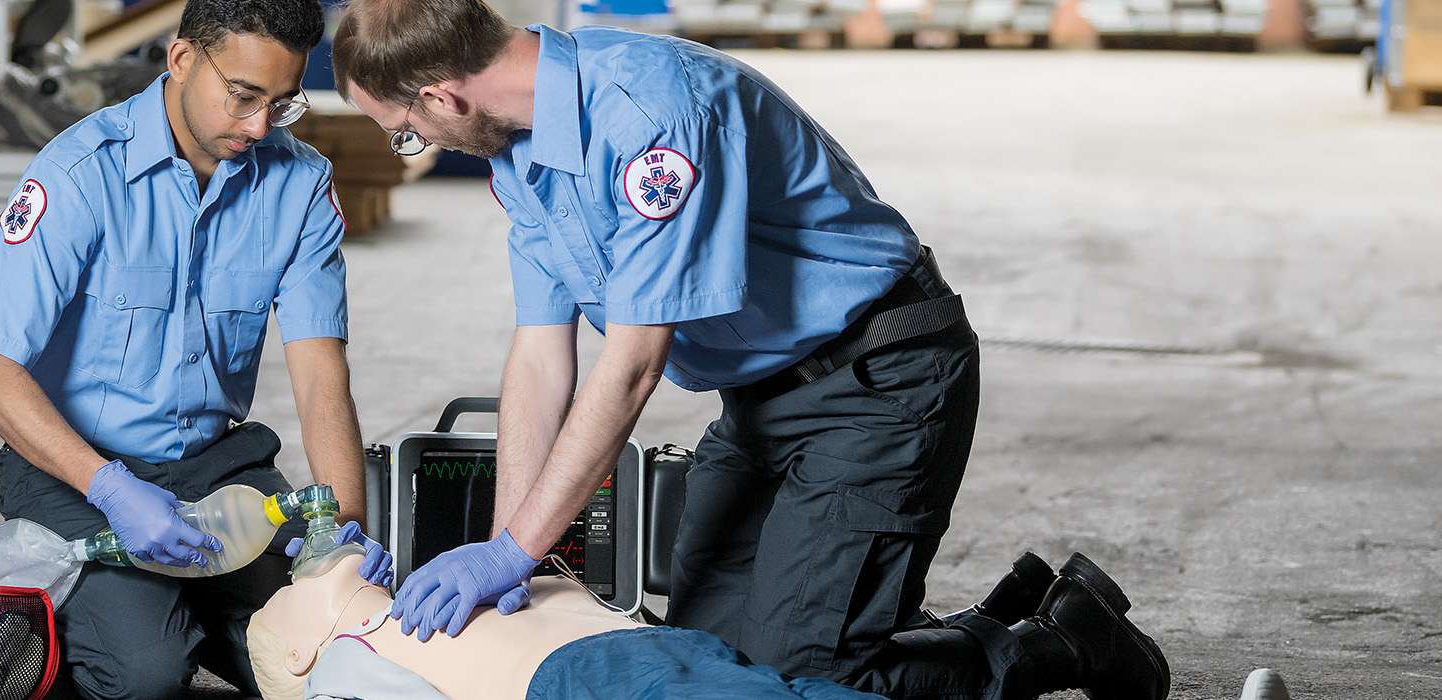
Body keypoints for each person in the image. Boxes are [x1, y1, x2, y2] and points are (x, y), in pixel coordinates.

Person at [326, 2, 1168, 697]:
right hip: (761, 399)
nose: (417, 142)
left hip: (879, 380)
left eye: (404, 129)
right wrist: (515, 549)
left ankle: (1055, 644)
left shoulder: (652, 116)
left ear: (442, 96)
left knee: (795, 681)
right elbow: (540, 357)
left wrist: (512, 551)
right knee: (698, 667)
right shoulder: (522, 156)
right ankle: (983, 625)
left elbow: (629, 370)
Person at [0, 1, 387, 696]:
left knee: (327, 652)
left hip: (219, 474)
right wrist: (110, 489)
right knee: (145, 675)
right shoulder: (79, 174)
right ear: (181, 59)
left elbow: (321, 379)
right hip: (80, 475)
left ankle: (191, 607)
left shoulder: (299, 184)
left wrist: (342, 530)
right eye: (242, 97)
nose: (258, 126)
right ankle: (75, 627)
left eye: (282, 103)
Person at [245, 549, 1163, 700]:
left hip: (609, 667)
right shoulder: (348, 664)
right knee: (804, 689)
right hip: (601, 672)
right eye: (296, 587)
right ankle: (1031, 632)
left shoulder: (434, 594)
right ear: (295, 649)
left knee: (802, 683)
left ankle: (1032, 639)